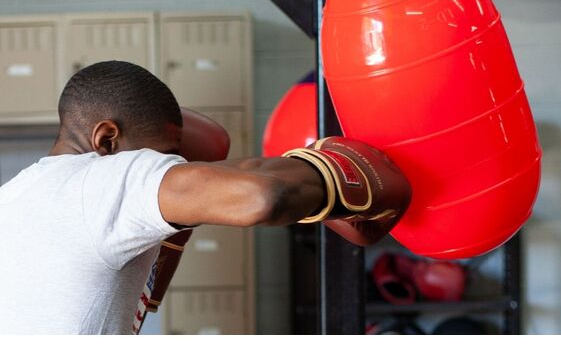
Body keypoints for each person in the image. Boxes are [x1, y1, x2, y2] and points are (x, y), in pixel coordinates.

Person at [0, 60, 411, 334]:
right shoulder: (103, 180)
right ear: (107, 139)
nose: (167, 170)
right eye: (161, 158)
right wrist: (353, 174)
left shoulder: (16, 197)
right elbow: (265, 195)